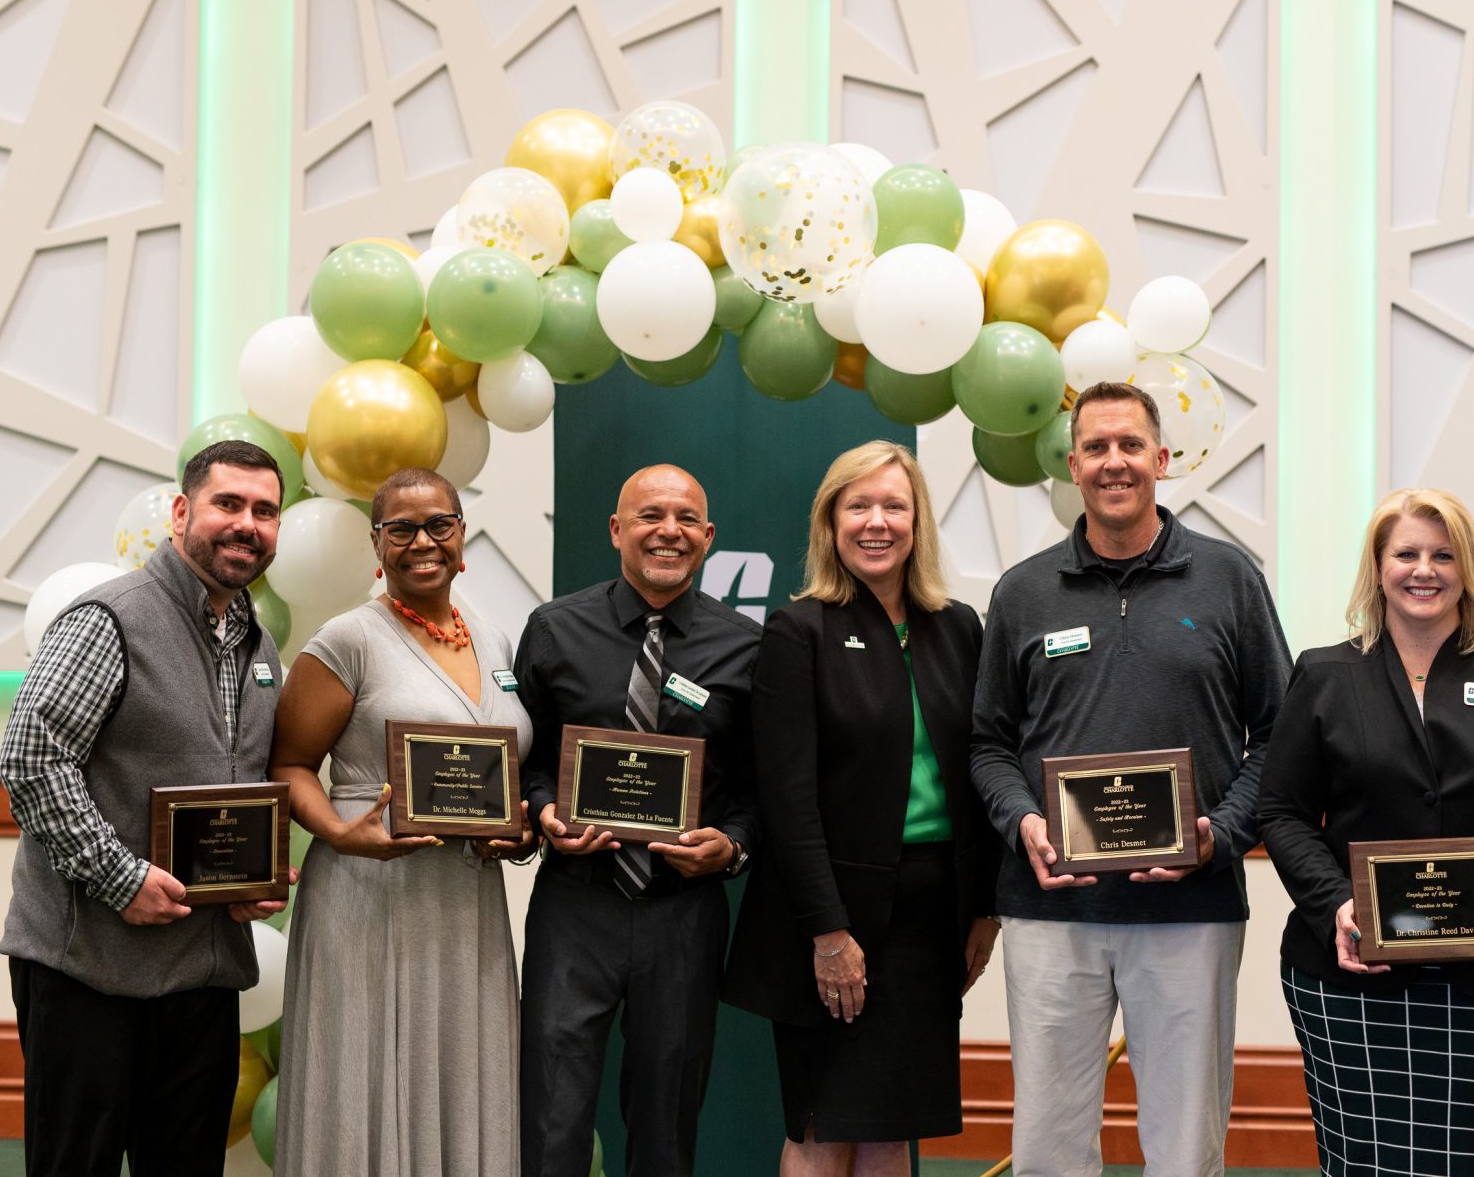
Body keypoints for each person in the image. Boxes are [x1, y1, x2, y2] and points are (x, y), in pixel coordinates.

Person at [969, 380, 1292, 1177]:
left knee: (1185, 1148)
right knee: (1047, 1145)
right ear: (1072, 464)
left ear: (1163, 458)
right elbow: (989, 743)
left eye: (1131, 445)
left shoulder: (1230, 579)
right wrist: (1023, 823)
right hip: (1051, 909)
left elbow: (1281, 737)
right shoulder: (1022, 591)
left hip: (1193, 906)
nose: (1115, 461)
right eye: (1097, 447)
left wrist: (1218, 836)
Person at [1257, 488, 1474, 1177]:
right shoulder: (1325, 674)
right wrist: (1336, 905)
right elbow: (1282, 813)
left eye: (1444, 554)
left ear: (1467, 568)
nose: (1425, 569)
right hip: (1353, 975)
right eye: (1406, 553)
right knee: (1364, 1160)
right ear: (1378, 566)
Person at [0, 439, 293, 1176]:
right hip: (88, 968)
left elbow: (236, 782)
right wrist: (118, 878)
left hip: (202, 974)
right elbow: (32, 756)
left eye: (265, 510)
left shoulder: (258, 647)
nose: (246, 524)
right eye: (228, 503)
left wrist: (251, 874)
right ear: (182, 511)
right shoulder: (110, 616)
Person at [725, 440, 1001, 1177]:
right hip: (831, 922)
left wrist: (986, 909)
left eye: (894, 505)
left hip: (931, 921)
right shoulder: (798, 630)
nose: (876, 522)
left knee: (891, 1130)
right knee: (824, 1129)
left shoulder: (959, 627)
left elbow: (982, 771)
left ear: (918, 523)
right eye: (858, 505)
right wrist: (828, 933)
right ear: (831, 522)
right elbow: (786, 797)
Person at [268, 467, 534, 1176]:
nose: (423, 541)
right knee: (364, 1072)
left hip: (464, 900)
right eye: (401, 528)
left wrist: (518, 830)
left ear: (461, 532)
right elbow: (289, 764)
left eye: (438, 524)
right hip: (368, 892)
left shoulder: (493, 638)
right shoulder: (347, 638)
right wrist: (336, 831)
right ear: (376, 543)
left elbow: (502, 770)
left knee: (458, 1069)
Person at [513, 464, 760, 1177]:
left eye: (685, 518)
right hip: (574, 903)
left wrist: (733, 847)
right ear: (618, 529)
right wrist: (544, 809)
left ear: (707, 537)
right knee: (551, 1115)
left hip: (682, 913)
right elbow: (523, 761)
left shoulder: (746, 644)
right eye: (650, 515)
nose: (668, 531)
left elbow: (761, 788)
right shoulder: (554, 629)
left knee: (666, 1122)